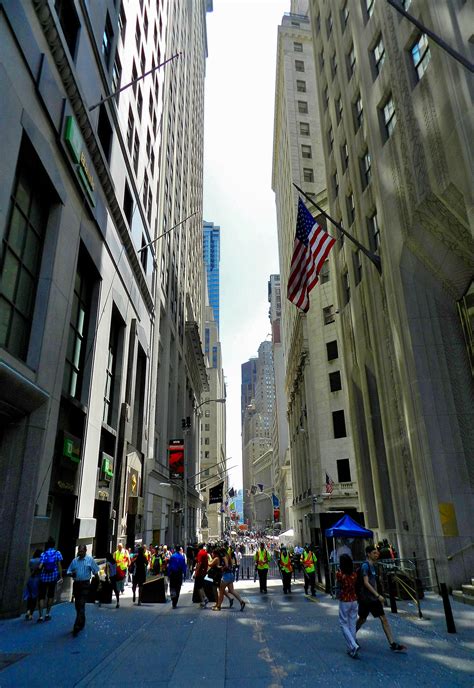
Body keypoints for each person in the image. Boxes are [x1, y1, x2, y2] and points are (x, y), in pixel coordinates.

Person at [356, 545, 406, 652]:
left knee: (384, 619)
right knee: (362, 619)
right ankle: (351, 635)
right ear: (368, 554)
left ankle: (392, 643)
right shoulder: (365, 566)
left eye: (376, 553)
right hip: (367, 599)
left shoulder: (373, 566)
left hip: (373, 599)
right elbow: (366, 583)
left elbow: (374, 582)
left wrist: (378, 595)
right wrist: (378, 595)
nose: (376, 554)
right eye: (374, 553)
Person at [67, 544, 99, 637]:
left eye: (81, 551)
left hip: (85, 585)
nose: (80, 553)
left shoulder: (90, 560)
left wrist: (98, 583)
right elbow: (68, 571)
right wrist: (72, 574)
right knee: (78, 605)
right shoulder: (74, 561)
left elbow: (95, 572)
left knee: (81, 604)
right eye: (79, 551)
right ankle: (82, 621)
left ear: (85, 551)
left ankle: (76, 626)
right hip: (76, 585)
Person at [336, 554, 359, 658]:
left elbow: (339, 585)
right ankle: (351, 648)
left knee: (343, 623)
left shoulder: (340, 574)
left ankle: (353, 645)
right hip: (354, 600)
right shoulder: (354, 574)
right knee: (352, 624)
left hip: (344, 600)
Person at [37, 537, 63, 622]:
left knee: (41, 597)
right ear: (54, 544)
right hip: (53, 577)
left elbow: (40, 566)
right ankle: (47, 614)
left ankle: (40, 616)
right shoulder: (57, 553)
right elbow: (59, 565)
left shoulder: (43, 554)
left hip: (44, 578)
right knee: (50, 596)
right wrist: (61, 576)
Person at [24, 549, 42, 620]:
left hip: (31, 579)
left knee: (29, 596)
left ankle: (28, 611)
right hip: (37, 579)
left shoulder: (31, 561)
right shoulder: (41, 560)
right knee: (34, 597)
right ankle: (31, 614)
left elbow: (31, 570)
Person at [193, 543, 210, 608]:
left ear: (198, 547)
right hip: (203, 572)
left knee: (199, 587)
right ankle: (204, 598)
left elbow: (199, 563)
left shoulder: (200, 553)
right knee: (201, 586)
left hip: (199, 572)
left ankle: (203, 600)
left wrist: (195, 572)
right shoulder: (205, 553)